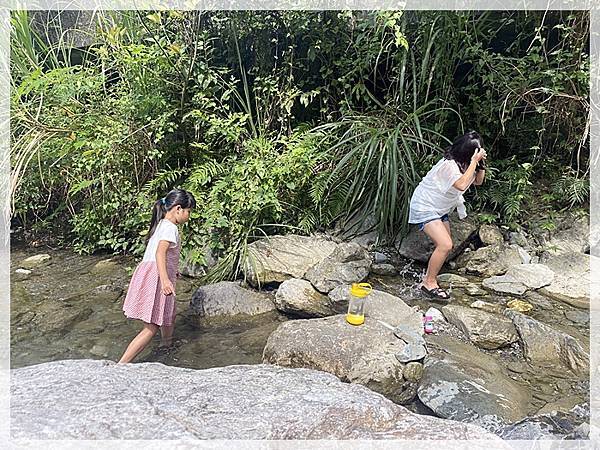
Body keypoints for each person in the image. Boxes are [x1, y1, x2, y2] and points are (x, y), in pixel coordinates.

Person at [118, 188, 196, 363]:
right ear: (178, 209)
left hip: (153, 273)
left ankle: (167, 344)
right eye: (188, 211)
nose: (188, 216)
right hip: (156, 277)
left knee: (169, 313)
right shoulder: (170, 228)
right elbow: (160, 253)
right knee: (151, 326)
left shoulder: (162, 224)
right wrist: (166, 280)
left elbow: (163, 254)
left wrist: (171, 272)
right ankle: (121, 364)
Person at [408, 131, 487, 301]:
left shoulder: (465, 164)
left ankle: (427, 278)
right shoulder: (449, 165)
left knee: (445, 246)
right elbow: (462, 184)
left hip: (440, 208)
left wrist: (480, 165)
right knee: (445, 244)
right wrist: (475, 161)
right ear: (468, 152)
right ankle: (429, 283)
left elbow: (478, 182)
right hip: (425, 205)